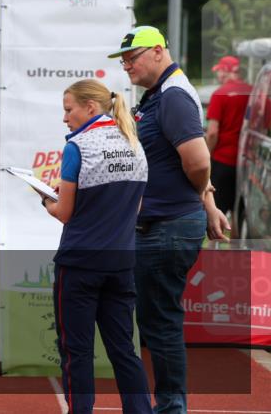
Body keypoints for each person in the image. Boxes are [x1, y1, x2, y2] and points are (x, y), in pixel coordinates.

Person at [109, 25, 230, 414]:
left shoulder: (174, 96)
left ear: (159, 51)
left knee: (160, 323)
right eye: (123, 60)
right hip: (163, 224)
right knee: (157, 321)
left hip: (166, 227)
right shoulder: (160, 94)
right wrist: (207, 202)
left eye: (134, 57)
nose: (127, 65)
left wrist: (200, 199)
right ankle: (168, 405)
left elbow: (197, 161)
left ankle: (171, 407)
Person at [42, 80, 151, 413]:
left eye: (68, 109)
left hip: (80, 264)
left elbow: (64, 213)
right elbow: (135, 209)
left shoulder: (79, 146)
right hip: (120, 264)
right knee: (124, 351)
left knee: (77, 352)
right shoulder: (134, 141)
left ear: (90, 107)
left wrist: (46, 199)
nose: (65, 118)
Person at [205, 55, 252, 215]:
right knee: (240, 212)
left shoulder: (220, 94)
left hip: (223, 161)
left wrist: (206, 154)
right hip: (247, 163)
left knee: (216, 211)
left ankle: (213, 241)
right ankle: (237, 240)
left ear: (225, 72)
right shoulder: (253, 92)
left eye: (219, 71)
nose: (218, 75)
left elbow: (212, 132)